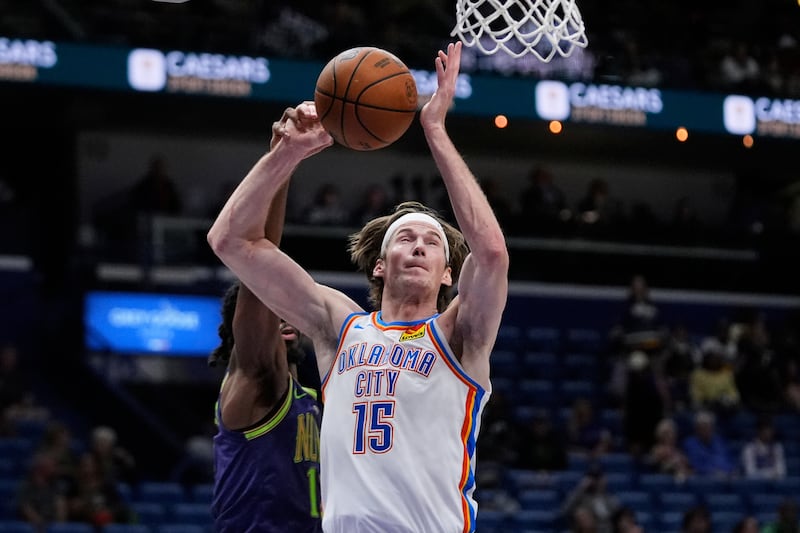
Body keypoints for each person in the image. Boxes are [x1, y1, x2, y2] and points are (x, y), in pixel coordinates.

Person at [208, 41, 509, 532]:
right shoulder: (340, 328)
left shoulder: (460, 336)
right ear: (379, 266)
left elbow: (492, 253)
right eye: (404, 238)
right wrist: (286, 155)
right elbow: (231, 240)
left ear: (448, 272)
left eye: (432, 243)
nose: (417, 246)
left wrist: (435, 130)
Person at [209, 116, 322, 532]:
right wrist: (285, 158)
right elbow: (260, 262)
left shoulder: (310, 397)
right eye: (269, 309)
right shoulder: (253, 382)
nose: (280, 310)